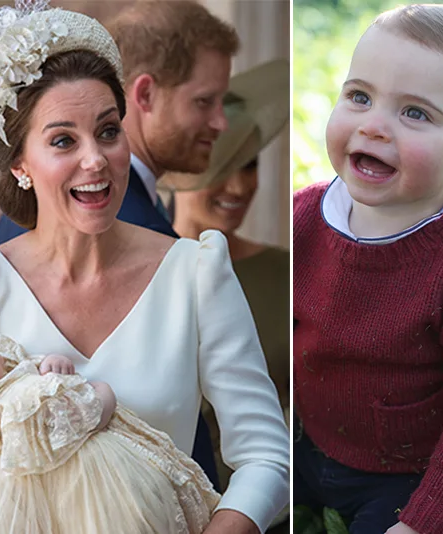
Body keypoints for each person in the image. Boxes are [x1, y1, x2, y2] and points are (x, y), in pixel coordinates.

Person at [0, 4, 289, 534]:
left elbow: (267, 456)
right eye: (63, 140)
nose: (96, 159)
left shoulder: (196, 273)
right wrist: (71, 436)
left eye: (108, 131)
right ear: (20, 165)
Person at [293, 5, 443, 534]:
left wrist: (426, 521)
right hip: (308, 435)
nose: (373, 125)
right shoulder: (305, 219)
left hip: (404, 474)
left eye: (415, 113)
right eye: (359, 96)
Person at [0, 0, 242, 489]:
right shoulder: (97, 214)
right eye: (205, 101)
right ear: (144, 93)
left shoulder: (177, 245)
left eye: (108, 131)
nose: (220, 123)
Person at [0, 334, 219, 534]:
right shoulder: (17, 412)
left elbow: (27, 371)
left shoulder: (1, 388)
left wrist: (48, 365)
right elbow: (89, 415)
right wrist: (102, 391)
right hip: (112, 505)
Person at [167, 59, 290, 489]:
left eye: (250, 164)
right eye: (222, 164)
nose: (239, 187)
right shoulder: (146, 271)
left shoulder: (284, 273)